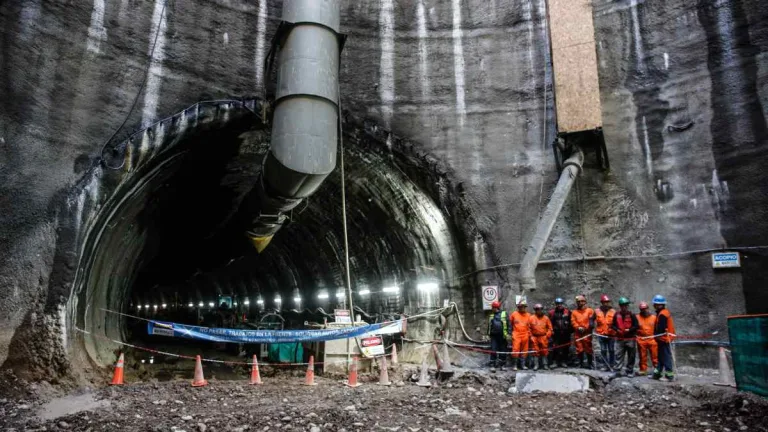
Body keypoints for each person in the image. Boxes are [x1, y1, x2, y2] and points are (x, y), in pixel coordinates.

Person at [611, 297, 639, 376]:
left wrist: (629, 330)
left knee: (631, 356)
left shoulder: (632, 315)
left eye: (625, 305)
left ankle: (629, 371)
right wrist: (617, 330)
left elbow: (636, 326)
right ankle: (617, 371)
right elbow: (612, 325)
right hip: (620, 339)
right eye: (622, 305)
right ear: (620, 306)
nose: (624, 307)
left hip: (630, 339)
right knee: (618, 355)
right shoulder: (616, 315)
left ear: (627, 306)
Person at [652, 295, 676, 381]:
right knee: (661, 357)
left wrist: (655, 335)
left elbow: (661, 328)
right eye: (656, 304)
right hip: (663, 339)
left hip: (665, 339)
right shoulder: (663, 313)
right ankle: (657, 374)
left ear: (661, 305)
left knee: (666, 357)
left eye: (657, 304)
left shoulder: (662, 314)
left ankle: (669, 376)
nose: (656, 306)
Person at [571, 295, 595, 369]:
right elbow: (573, 321)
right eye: (578, 302)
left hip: (587, 333)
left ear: (585, 302)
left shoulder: (590, 311)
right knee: (579, 349)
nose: (580, 303)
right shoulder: (574, 312)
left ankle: (590, 364)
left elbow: (591, 321)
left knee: (588, 349)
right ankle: (580, 364)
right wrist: (578, 327)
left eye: (582, 301)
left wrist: (586, 328)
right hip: (578, 333)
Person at [548, 297, 572, 368]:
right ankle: (555, 362)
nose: (559, 305)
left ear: (562, 304)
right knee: (555, 348)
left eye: (560, 304)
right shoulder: (552, 313)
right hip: (556, 334)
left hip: (565, 333)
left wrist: (570, 331)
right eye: (558, 304)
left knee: (565, 348)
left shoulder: (567, 312)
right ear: (556, 304)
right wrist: (551, 331)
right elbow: (549, 323)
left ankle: (564, 361)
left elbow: (571, 322)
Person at [635, 302, 658, 376]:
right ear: (640, 310)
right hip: (641, 339)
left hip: (652, 339)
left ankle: (657, 370)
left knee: (655, 356)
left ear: (648, 308)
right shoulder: (637, 317)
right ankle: (643, 370)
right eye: (642, 309)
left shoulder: (654, 318)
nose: (644, 310)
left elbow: (658, 328)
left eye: (645, 309)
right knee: (642, 356)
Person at [595, 294, 616, 371]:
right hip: (601, 334)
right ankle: (605, 365)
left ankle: (612, 365)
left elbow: (617, 322)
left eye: (607, 302)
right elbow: (592, 319)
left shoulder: (613, 311)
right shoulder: (597, 311)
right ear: (602, 302)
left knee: (611, 350)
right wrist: (590, 323)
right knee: (603, 350)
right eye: (604, 302)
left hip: (611, 334)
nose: (606, 303)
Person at [529, 304, 553, 370]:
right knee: (535, 351)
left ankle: (545, 365)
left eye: (540, 309)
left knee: (544, 351)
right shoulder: (531, 318)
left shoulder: (546, 318)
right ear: (535, 310)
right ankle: (536, 365)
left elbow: (550, 328)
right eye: (537, 309)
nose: (539, 311)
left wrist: (547, 335)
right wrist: (531, 336)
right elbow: (529, 328)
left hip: (543, 337)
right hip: (535, 337)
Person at [510, 299, 532, 371]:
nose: (522, 308)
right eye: (520, 307)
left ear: (525, 307)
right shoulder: (514, 314)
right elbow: (510, 324)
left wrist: (529, 334)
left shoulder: (528, 315)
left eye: (523, 307)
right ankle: (515, 365)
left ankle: (523, 365)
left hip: (525, 334)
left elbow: (530, 326)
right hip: (516, 334)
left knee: (524, 350)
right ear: (518, 307)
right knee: (515, 349)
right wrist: (510, 333)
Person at [487, 301, 509, 372]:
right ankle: (492, 365)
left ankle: (502, 365)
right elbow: (489, 326)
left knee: (503, 350)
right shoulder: (491, 316)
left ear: (496, 307)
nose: (492, 309)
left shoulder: (504, 314)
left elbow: (509, 324)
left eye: (493, 307)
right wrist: (488, 335)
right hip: (494, 336)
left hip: (503, 336)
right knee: (493, 350)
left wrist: (509, 334)